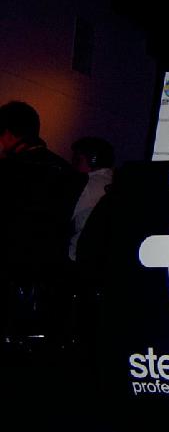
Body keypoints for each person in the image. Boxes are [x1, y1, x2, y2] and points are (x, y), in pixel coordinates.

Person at [0, 100, 86, 352]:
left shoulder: (7, 171)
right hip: (52, 282)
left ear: (8, 134)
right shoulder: (68, 173)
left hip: (10, 278)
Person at [69, 136, 115, 263]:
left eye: (78, 159)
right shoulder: (116, 180)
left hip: (78, 256)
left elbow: (63, 217)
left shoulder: (86, 184)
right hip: (103, 257)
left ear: (92, 160)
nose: (73, 163)